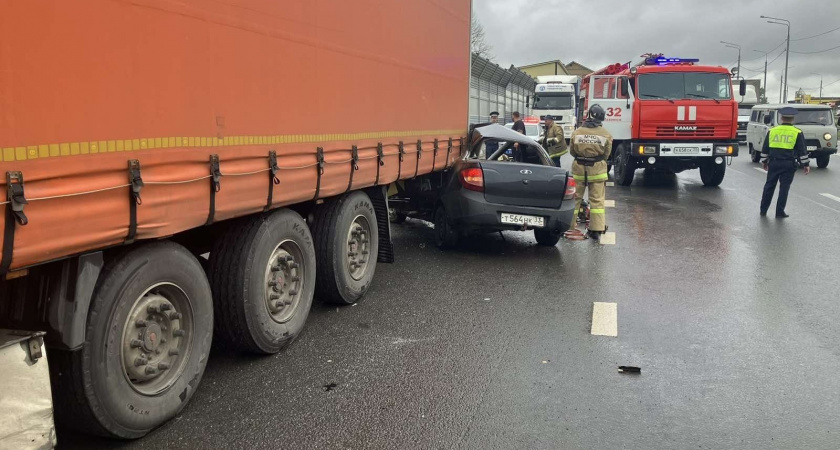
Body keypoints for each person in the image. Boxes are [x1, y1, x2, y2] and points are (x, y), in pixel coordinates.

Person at [569, 104, 612, 240]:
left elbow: (572, 151)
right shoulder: (605, 133)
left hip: (579, 169)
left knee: (574, 199)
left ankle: (569, 226)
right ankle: (596, 230)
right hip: (597, 169)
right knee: (597, 201)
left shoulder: (577, 132)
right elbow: (607, 154)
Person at [759, 107, 811, 218]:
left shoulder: (772, 131)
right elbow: (802, 150)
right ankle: (779, 212)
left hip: (774, 163)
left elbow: (765, 148)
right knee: (784, 188)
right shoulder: (797, 132)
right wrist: (805, 165)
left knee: (769, 186)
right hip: (788, 164)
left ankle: (763, 210)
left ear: (781, 118)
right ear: (792, 119)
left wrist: (764, 161)